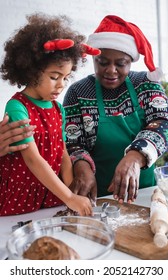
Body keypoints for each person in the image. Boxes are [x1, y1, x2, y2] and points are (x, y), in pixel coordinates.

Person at [63, 15, 168, 203]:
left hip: (144, 193)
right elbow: (72, 142)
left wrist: (135, 157)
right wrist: (81, 165)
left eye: (120, 64)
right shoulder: (78, 92)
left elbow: (165, 122)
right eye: (103, 62)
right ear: (93, 59)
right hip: (96, 195)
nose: (111, 70)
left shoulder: (145, 84)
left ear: (130, 60)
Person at [0, 13, 98, 216]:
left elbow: (62, 154)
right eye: (55, 77)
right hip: (20, 198)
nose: (61, 84)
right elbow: (33, 159)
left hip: (51, 194)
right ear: (31, 71)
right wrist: (70, 198)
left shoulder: (57, 108)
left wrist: (72, 192)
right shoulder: (18, 107)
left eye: (66, 77)